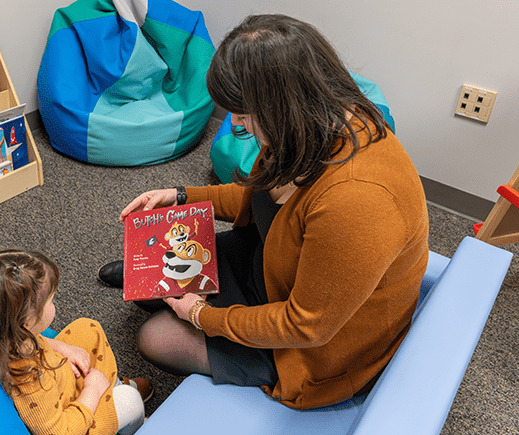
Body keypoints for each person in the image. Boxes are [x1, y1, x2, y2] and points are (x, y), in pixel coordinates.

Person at [100, 14, 429, 410]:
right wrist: (182, 195)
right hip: (275, 263)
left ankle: (195, 306)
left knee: (155, 337)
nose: (235, 124)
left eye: (243, 113)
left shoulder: (357, 200)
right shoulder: (312, 124)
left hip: (319, 343)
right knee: (152, 286)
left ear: (283, 104)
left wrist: (204, 317)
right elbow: (260, 194)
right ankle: (165, 287)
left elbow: (306, 326)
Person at [0, 249, 151, 435]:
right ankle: (136, 423)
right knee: (130, 400)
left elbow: (37, 342)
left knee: (86, 328)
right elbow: (61, 431)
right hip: (73, 417)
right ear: (26, 323)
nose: (53, 304)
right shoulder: (29, 382)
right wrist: (92, 390)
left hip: (59, 377)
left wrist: (63, 347)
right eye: (51, 301)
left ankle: (112, 385)